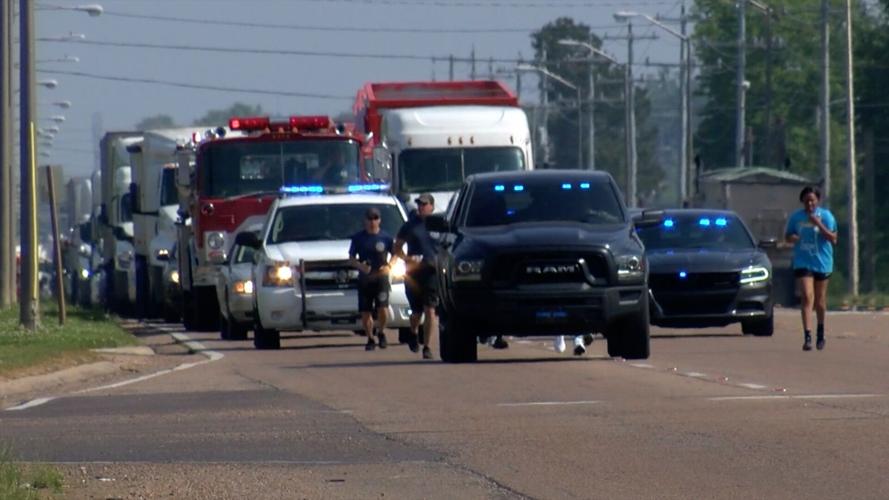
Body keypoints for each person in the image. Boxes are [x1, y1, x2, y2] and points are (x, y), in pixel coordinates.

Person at [785, 186, 838, 351]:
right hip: (803, 261)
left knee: (820, 300)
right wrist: (792, 238)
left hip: (822, 262)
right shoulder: (796, 217)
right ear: (802, 201)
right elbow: (788, 236)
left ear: (818, 201)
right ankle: (807, 336)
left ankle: (820, 332)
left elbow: (833, 238)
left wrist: (818, 224)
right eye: (806, 201)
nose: (809, 204)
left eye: (812, 201)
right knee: (807, 296)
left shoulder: (826, 216)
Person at [394, 193, 440, 360]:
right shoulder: (409, 226)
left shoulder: (438, 225)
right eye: (419, 204)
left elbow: (448, 244)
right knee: (416, 312)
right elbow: (397, 247)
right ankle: (413, 332)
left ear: (432, 206)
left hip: (431, 272)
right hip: (414, 273)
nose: (421, 207)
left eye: (424, 204)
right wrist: (407, 258)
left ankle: (427, 346)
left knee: (430, 309)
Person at [349, 207, 395, 351]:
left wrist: (389, 266)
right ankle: (370, 338)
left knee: (383, 308)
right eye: (370, 219)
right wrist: (361, 266)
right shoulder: (358, 238)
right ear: (365, 220)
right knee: (365, 311)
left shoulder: (386, 237)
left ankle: (381, 332)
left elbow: (395, 254)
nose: (372, 222)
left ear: (379, 220)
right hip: (365, 279)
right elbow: (351, 258)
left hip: (381, 278)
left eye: (375, 218)